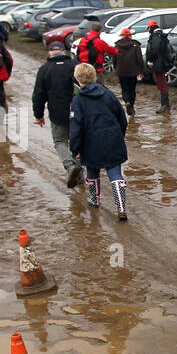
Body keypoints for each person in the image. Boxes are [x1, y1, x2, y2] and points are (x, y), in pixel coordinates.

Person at [69, 62, 129, 220]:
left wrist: (75, 149)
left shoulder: (78, 100)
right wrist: (119, 135)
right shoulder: (108, 94)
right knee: (115, 172)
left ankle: (95, 199)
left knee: (92, 171)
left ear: (78, 79)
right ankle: (121, 207)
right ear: (94, 76)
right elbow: (122, 117)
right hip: (112, 138)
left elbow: (76, 128)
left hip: (90, 142)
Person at [33, 40, 82, 190]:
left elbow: (38, 95)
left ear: (50, 53)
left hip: (57, 112)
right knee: (77, 141)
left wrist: (38, 114)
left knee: (60, 141)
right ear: (64, 51)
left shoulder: (44, 69)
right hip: (78, 111)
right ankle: (79, 174)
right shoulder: (75, 65)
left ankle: (69, 165)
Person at [113, 27, 144, 116]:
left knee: (124, 89)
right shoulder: (135, 45)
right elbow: (140, 59)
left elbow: (114, 59)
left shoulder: (117, 45)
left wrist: (116, 68)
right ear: (130, 35)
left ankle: (127, 102)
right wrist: (141, 71)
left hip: (121, 71)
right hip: (133, 71)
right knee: (132, 89)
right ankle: (132, 106)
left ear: (122, 36)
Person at [144, 20, 172, 112]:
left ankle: (164, 105)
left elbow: (155, 50)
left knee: (161, 83)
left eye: (148, 28)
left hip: (158, 64)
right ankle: (166, 104)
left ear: (151, 27)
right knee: (162, 82)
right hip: (162, 62)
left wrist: (151, 60)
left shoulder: (156, 37)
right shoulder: (160, 35)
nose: (148, 30)